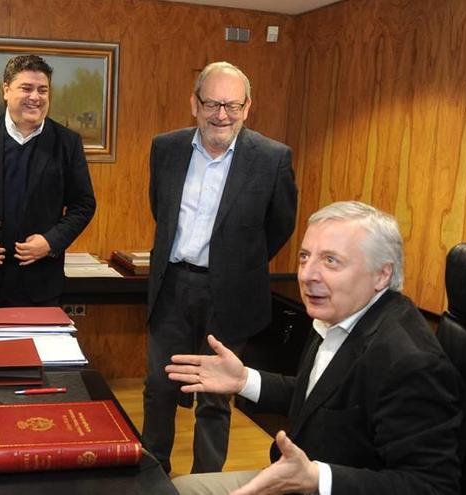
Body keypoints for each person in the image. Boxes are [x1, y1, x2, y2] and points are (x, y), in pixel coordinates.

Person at [166, 201, 466, 495]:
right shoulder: (340, 314)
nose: (307, 275)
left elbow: (431, 486)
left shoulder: (410, 362)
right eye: (304, 257)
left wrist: (318, 478)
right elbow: (319, 396)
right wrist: (244, 379)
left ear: (382, 274)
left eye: (330, 261)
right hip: (299, 477)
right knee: (178, 488)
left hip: (324, 486)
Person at [144, 61, 298, 473]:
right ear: (194, 104)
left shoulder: (272, 158)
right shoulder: (166, 148)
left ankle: (205, 480)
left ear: (248, 107)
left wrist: (238, 263)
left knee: (215, 397)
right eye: (212, 103)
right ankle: (153, 471)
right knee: (159, 387)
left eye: (232, 105)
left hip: (231, 294)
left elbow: (280, 224)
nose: (221, 115)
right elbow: (160, 208)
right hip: (173, 286)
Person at [0, 54, 96, 325]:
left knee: (35, 363)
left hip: (40, 282)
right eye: (26, 88)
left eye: (43, 90)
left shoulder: (67, 142)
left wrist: (51, 242)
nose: (35, 96)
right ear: (6, 90)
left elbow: (83, 204)